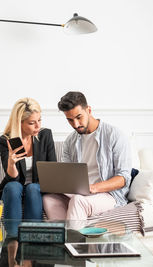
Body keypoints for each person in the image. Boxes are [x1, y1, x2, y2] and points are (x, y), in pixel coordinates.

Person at [43, 91, 131, 223]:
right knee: (48, 198)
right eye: (70, 120)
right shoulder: (70, 141)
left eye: (79, 117)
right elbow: (67, 175)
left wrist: (93, 187)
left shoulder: (114, 135)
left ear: (88, 110)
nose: (76, 124)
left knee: (78, 201)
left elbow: (123, 178)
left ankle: (72, 242)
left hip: (108, 194)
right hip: (79, 192)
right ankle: (63, 237)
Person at [0, 97, 56, 222]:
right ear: (19, 122)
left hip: (37, 189)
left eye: (39, 120)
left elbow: (52, 171)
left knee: (32, 188)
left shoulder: (45, 136)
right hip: (16, 187)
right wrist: (11, 163)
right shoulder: (5, 140)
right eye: (32, 123)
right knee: (12, 187)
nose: (38, 126)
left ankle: (32, 237)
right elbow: (13, 178)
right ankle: (13, 239)